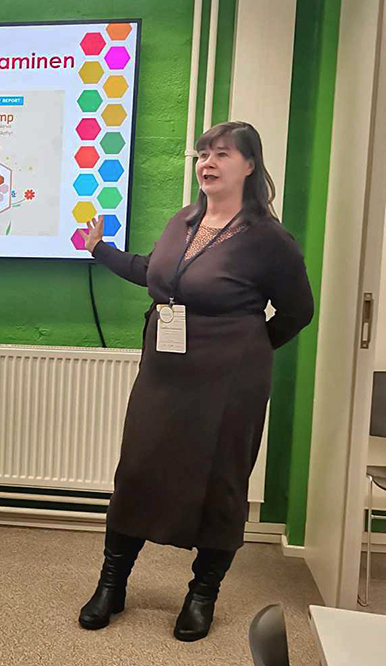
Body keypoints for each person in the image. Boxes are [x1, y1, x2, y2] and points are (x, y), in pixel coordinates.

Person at [77, 122, 314, 641]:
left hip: (230, 382)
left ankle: (201, 596)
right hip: (164, 374)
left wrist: (248, 350)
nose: (207, 162)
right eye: (203, 153)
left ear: (249, 165)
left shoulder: (269, 239)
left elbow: (298, 311)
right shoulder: (184, 219)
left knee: (220, 483)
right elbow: (157, 274)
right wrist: (101, 249)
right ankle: (111, 586)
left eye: (221, 154)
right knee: (138, 471)